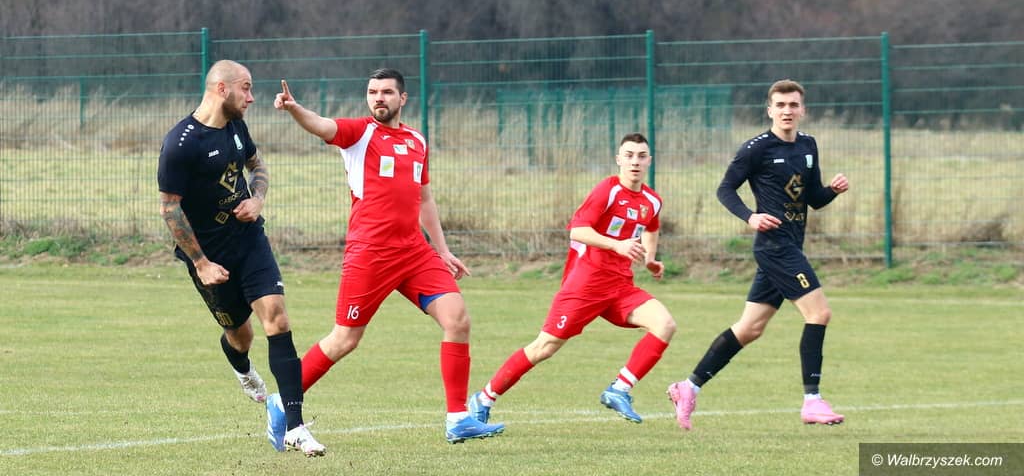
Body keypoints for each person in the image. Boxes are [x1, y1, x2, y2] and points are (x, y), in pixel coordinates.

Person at [273, 67, 505, 444]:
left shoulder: (417, 140)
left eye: (386, 92)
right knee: (345, 339)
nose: (378, 98)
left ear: (402, 98)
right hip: (371, 253)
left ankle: (458, 417)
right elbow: (322, 125)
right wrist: (295, 109)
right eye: (372, 92)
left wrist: (442, 250)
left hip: (414, 252)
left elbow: (424, 199)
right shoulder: (359, 133)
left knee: (458, 320)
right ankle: (281, 402)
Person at [157, 60, 325, 457]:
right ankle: (242, 367)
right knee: (241, 335)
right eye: (245, 88)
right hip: (210, 255)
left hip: (249, 240)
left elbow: (257, 165)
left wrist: (257, 198)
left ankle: (295, 427)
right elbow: (170, 208)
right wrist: (201, 263)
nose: (251, 97)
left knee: (277, 318)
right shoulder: (181, 143)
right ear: (221, 88)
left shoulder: (236, 127)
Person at [667, 79, 849, 430]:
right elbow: (725, 189)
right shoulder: (756, 149)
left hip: (790, 246)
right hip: (774, 247)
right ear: (769, 110)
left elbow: (813, 199)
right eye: (780, 105)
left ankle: (688, 387)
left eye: (793, 105)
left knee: (750, 328)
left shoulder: (808, 145)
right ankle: (812, 400)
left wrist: (833, 190)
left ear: (802, 110)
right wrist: (750, 217)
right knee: (819, 313)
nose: (787, 111)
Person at [467, 133, 676, 425]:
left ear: (649, 161)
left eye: (641, 156)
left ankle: (619, 389)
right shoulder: (607, 191)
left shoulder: (652, 200)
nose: (635, 162)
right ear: (618, 159)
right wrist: (616, 245)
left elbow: (651, 226)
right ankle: (484, 398)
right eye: (629, 155)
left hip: (620, 287)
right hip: (586, 284)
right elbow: (578, 230)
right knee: (545, 347)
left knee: (665, 324)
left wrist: (650, 259)